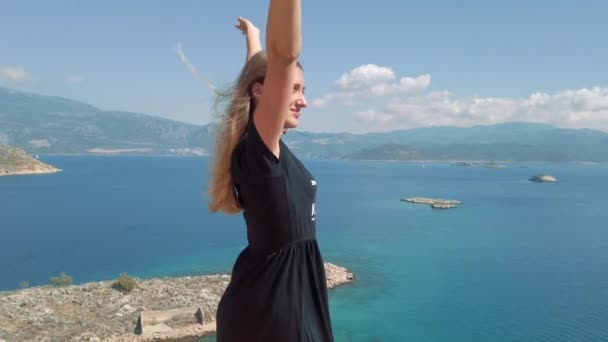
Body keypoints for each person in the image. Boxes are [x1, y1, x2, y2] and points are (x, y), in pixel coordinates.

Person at [208, 0, 334, 340]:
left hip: (277, 295)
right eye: (295, 89)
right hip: (276, 309)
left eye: (303, 90)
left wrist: (252, 38)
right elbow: (281, 58)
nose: (304, 100)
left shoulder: (260, 149)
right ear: (260, 91)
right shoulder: (260, 153)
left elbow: (261, 68)